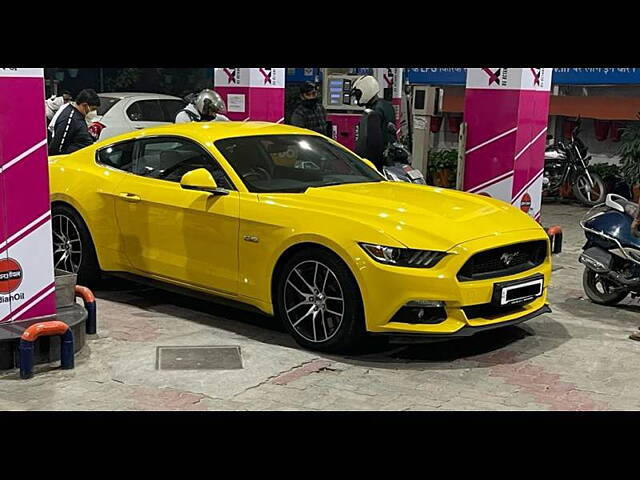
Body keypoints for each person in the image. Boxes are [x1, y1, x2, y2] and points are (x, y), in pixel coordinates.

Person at [350, 75, 397, 169]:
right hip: (388, 158)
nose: (357, 98)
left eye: (358, 94)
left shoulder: (373, 112)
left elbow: (371, 141)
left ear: (365, 90)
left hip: (376, 162)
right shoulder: (387, 105)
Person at [48, 89, 101, 156]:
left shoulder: (78, 116)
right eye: (93, 109)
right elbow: (57, 147)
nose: (94, 112)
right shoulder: (69, 118)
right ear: (84, 105)